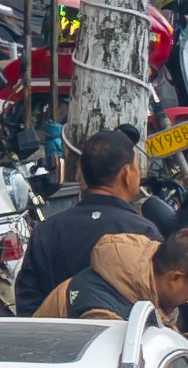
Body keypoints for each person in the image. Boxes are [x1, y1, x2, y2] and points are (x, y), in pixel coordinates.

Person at [10, 126, 157, 314]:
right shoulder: (143, 233)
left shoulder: (46, 231)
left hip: (56, 332)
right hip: (123, 333)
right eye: (138, 167)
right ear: (127, 174)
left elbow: (28, 305)